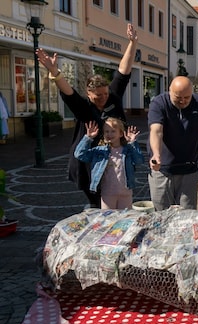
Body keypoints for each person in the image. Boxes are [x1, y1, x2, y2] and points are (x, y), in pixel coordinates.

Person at [36, 24, 138, 208]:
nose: (103, 98)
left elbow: (124, 71)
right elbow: (68, 92)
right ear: (89, 94)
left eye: (105, 94)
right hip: (91, 166)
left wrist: (132, 43)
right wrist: (54, 71)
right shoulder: (84, 107)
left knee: (121, 204)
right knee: (99, 206)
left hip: (117, 160)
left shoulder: (113, 97)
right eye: (99, 96)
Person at [147, 76, 198, 211]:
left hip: (189, 169)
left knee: (188, 213)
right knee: (161, 213)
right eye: (178, 97)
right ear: (169, 91)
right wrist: (156, 154)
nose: (183, 101)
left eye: (187, 97)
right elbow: (156, 131)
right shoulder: (159, 103)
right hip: (163, 170)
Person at [74, 119, 143, 209]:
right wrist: (88, 138)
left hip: (125, 193)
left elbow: (139, 160)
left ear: (121, 134)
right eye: (107, 131)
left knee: (124, 220)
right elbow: (79, 154)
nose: (109, 134)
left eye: (113, 131)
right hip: (107, 193)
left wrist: (133, 143)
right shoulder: (100, 151)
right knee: (108, 219)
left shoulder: (128, 150)